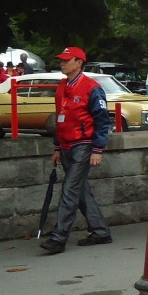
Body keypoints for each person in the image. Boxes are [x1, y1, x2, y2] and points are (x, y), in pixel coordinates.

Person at [41, 46, 113, 255]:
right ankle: (100, 231)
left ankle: (59, 237)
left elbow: (102, 120)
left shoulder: (92, 88)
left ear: (79, 62)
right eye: (61, 60)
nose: (62, 63)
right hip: (66, 146)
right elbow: (59, 118)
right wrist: (56, 146)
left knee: (70, 189)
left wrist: (97, 149)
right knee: (79, 190)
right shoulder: (61, 87)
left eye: (66, 60)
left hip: (83, 144)